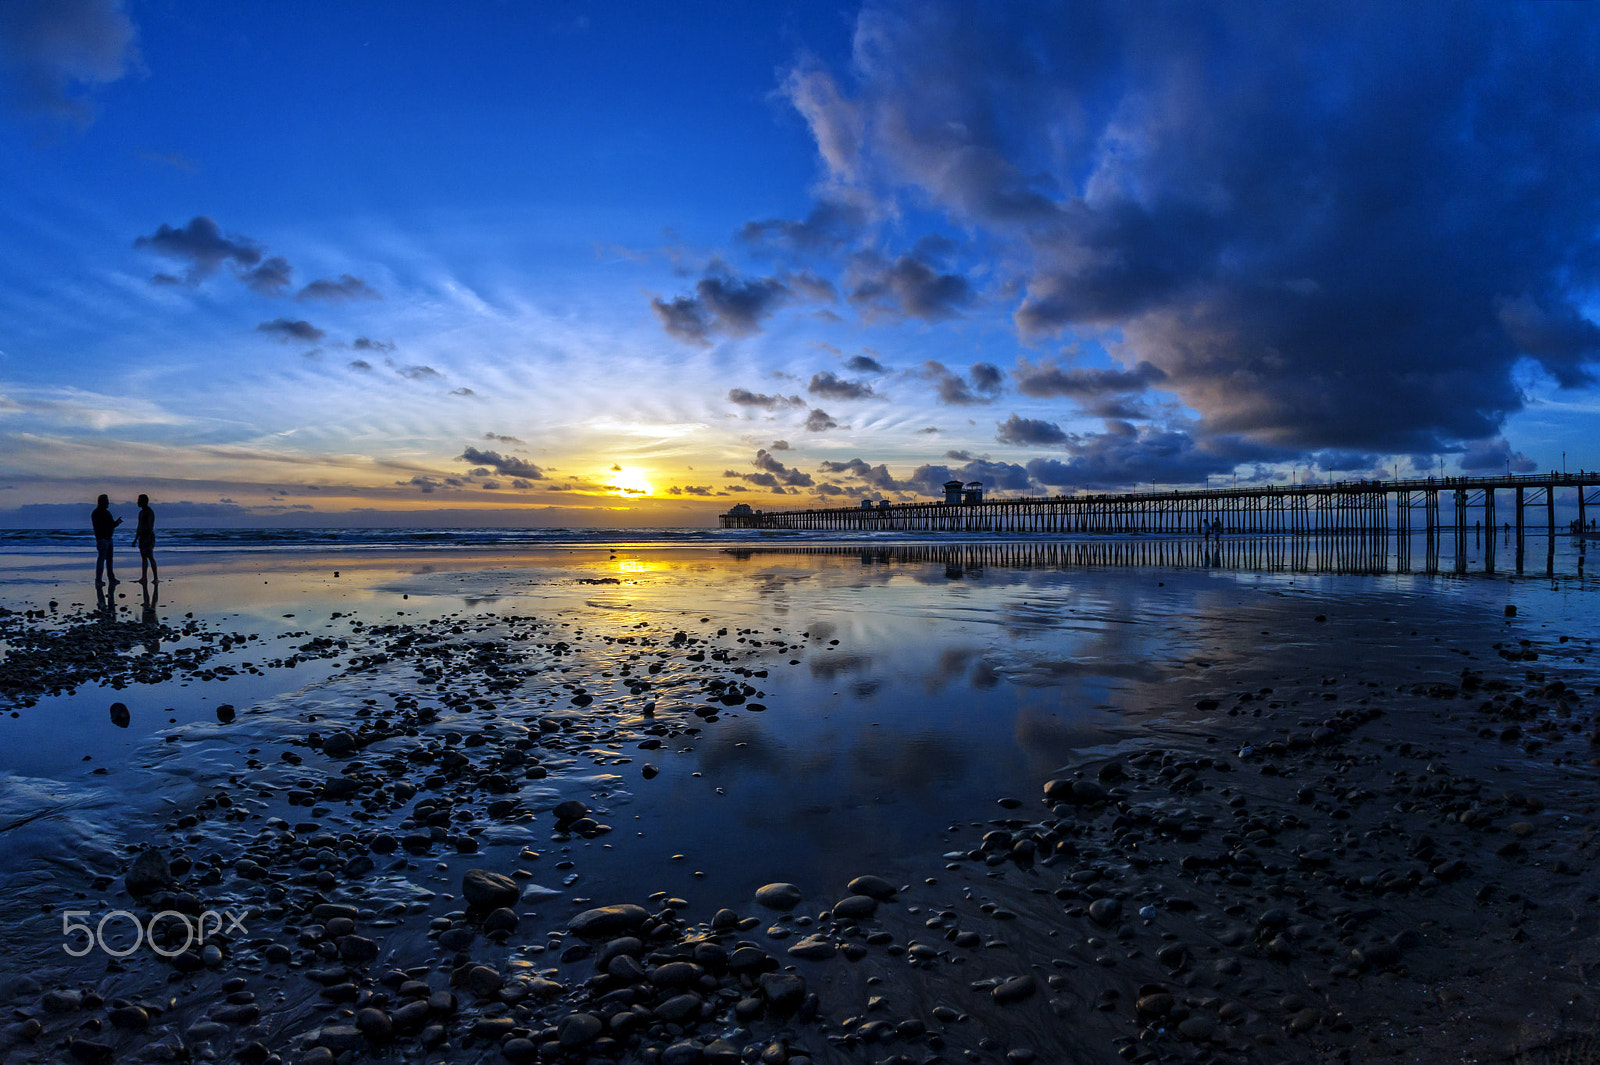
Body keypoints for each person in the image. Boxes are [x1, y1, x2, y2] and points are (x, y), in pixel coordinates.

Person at [91, 494, 121, 585]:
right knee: (102, 560)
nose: (108, 503)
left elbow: (111, 524)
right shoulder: (97, 513)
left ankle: (110, 578)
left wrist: (116, 523)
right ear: (102, 502)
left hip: (108, 538)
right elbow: (102, 526)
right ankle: (99, 579)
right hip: (102, 539)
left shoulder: (105, 513)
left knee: (108, 560)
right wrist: (114, 524)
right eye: (106, 501)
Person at [132, 493, 158, 583]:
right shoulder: (141, 512)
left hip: (148, 537)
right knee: (143, 558)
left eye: (139, 500)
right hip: (142, 537)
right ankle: (144, 577)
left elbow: (150, 526)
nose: (137, 502)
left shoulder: (149, 512)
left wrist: (148, 538)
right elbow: (139, 526)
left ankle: (155, 578)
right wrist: (135, 539)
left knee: (150, 557)